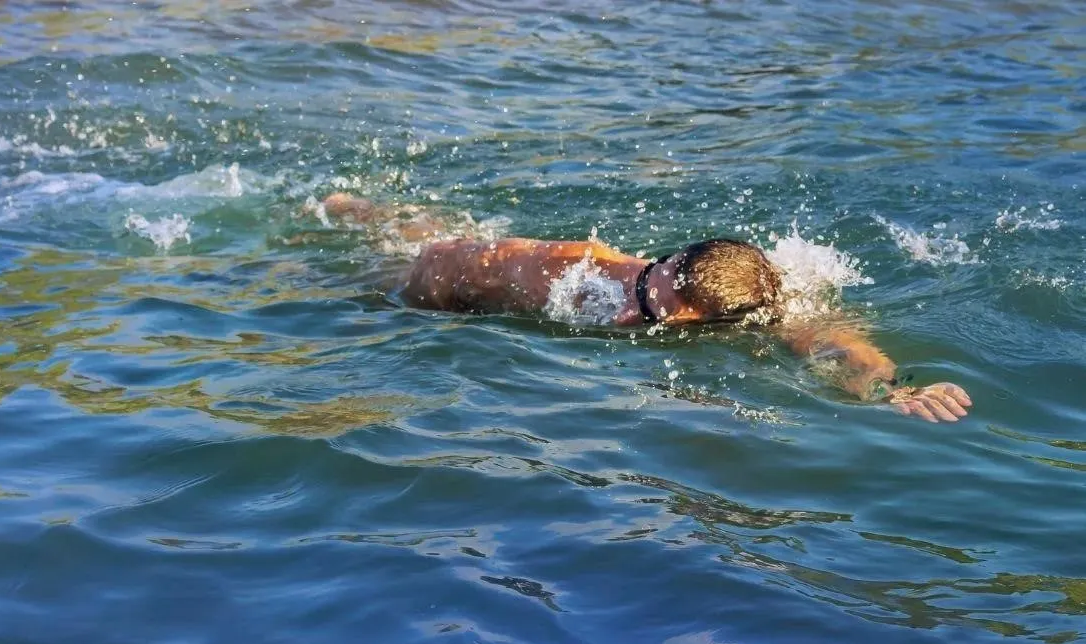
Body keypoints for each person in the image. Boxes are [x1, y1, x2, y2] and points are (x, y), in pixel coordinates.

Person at [321, 192, 972, 423]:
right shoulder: (574, 270)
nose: (632, 310)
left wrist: (891, 389)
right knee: (406, 246)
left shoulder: (765, 297)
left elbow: (836, 344)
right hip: (435, 279)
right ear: (671, 260)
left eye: (655, 315)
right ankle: (354, 213)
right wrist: (399, 310)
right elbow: (449, 262)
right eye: (646, 283)